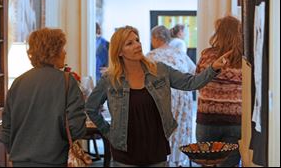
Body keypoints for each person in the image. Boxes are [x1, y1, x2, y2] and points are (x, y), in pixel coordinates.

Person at [85, 25, 232, 167]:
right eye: (130, 43)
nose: (137, 45)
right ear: (119, 52)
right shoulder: (110, 80)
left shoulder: (159, 70)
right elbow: (91, 108)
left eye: (137, 40)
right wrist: (109, 132)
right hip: (124, 152)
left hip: (156, 149)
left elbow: (191, 83)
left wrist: (213, 68)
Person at [0, 28, 87, 167]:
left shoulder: (18, 83)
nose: (65, 52)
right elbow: (76, 128)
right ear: (53, 51)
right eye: (62, 48)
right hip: (55, 160)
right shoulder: (67, 82)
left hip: (20, 161)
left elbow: (6, 129)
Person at [195, 15, 242, 167]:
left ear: (218, 33)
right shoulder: (244, 58)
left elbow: (197, 82)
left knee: (207, 163)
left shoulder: (207, 55)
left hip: (207, 119)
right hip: (235, 120)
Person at [146, 25, 196, 167]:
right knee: (178, 129)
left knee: (160, 129)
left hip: (160, 98)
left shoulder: (150, 56)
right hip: (182, 97)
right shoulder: (180, 54)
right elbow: (193, 72)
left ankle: (162, 159)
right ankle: (178, 160)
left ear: (155, 38)